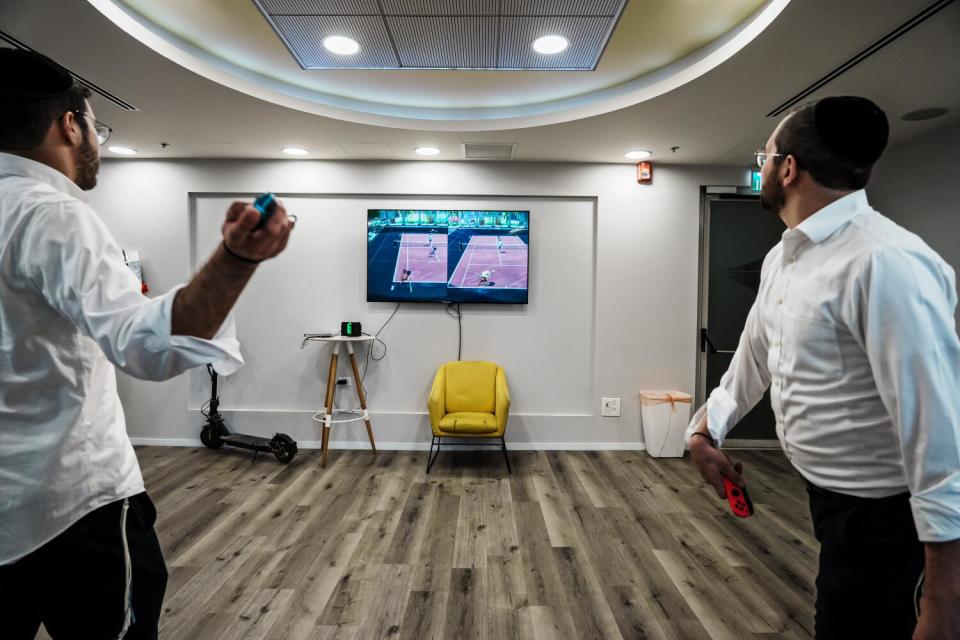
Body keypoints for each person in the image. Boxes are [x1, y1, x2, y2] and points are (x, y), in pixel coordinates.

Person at [0, 50, 294, 638]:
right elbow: (147, 347)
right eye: (98, 127)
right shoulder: (50, 214)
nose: (99, 144)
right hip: (69, 508)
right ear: (69, 124)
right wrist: (237, 258)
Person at [686, 96, 960, 639]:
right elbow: (754, 358)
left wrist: (944, 597)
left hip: (889, 522)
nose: (760, 166)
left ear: (787, 168)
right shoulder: (783, 257)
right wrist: (705, 428)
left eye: (763, 156)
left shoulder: (886, 262)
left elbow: (939, 435)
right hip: (830, 505)